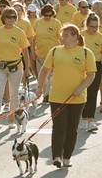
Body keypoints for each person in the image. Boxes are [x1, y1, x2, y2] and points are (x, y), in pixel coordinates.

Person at [35, 25, 96, 169]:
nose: (64, 37)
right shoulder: (55, 51)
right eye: (63, 35)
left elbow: (91, 75)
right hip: (57, 96)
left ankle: (67, 156)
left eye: (68, 35)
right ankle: (56, 156)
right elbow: (45, 70)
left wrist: (80, 88)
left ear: (76, 37)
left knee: (71, 128)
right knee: (59, 126)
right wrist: (40, 87)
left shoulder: (86, 53)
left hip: (77, 98)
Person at [0, 7, 33, 129]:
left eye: (14, 17)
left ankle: (11, 120)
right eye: (9, 16)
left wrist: (27, 68)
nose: (12, 19)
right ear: (4, 18)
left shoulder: (19, 32)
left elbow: (25, 51)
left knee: (14, 95)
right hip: (0, 66)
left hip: (15, 67)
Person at [79, 13, 102, 131]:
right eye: (91, 27)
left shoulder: (101, 37)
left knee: (92, 93)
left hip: (96, 65)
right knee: (83, 92)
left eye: (96, 27)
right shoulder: (81, 35)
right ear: (86, 25)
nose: (94, 29)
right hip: (81, 66)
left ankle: (91, 119)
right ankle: (84, 118)